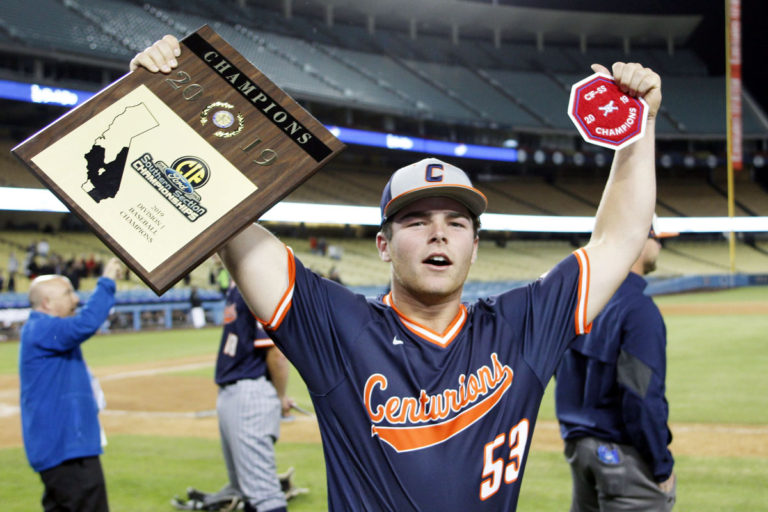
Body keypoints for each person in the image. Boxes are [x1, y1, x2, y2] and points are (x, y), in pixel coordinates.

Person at [132, 36, 661, 511]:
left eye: (456, 222)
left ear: (473, 247)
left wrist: (639, 128)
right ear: (383, 245)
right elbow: (231, 225)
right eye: (416, 220)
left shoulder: (522, 326)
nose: (438, 234)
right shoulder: (337, 329)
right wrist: (164, 99)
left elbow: (619, 238)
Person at [554, 217, 677, 511]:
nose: (660, 245)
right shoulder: (639, 310)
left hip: (579, 449)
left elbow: (562, 373)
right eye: (657, 238)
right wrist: (660, 465)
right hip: (623, 458)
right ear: (639, 241)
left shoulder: (579, 301)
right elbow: (642, 397)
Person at [174, 283, 295, 512]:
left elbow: (276, 353)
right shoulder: (236, 287)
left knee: (265, 495)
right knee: (245, 489)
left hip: (249, 392)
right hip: (235, 391)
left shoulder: (255, 284)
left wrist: (280, 396)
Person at [19, 257, 123, 512]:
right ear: (47, 303)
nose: (76, 299)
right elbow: (85, 324)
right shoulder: (41, 329)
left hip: (62, 449)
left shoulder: (43, 331)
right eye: (68, 293)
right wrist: (107, 280)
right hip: (67, 451)